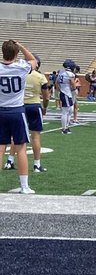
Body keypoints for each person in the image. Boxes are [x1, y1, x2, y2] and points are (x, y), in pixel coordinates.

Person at [0, 40, 36, 193]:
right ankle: (24, 186)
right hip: (16, 110)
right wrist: (21, 46)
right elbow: (34, 61)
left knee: (0, 148)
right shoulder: (21, 67)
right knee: (21, 148)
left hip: (1, 110)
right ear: (16, 53)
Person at [56, 60, 77, 133]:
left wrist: (60, 89)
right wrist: (73, 88)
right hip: (66, 93)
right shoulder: (70, 74)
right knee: (65, 111)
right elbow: (73, 84)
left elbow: (56, 83)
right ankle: (64, 128)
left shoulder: (61, 73)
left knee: (70, 110)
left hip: (64, 92)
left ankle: (66, 127)